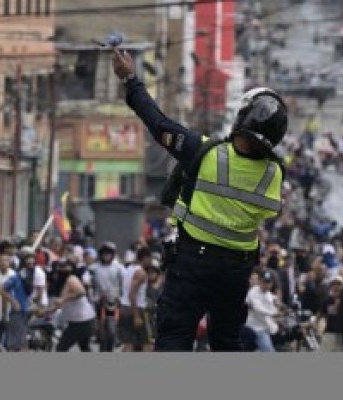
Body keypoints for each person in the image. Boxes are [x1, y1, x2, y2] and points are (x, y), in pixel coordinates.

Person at [114, 48, 288, 351]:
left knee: (173, 339)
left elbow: (159, 124)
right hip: (236, 272)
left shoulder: (203, 152)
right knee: (226, 342)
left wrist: (130, 79)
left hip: (193, 263)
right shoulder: (273, 174)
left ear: (243, 118)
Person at [45, 259, 96, 352]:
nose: (63, 269)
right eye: (61, 266)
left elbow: (81, 292)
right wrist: (47, 311)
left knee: (61, 348)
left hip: (82, 321)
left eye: (65, 266)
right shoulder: (61, 282)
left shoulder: (71, 278)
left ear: (71, 267)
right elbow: (60, 303)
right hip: (80, 321)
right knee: (85, 348)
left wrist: (64, 299)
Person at [119, 247, 152, 352]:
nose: (150, 262)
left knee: (128, 343)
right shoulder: (141, 273)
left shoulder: (129, 269)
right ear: (145, 258)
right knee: (147, 343)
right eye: (149, 259)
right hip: (136, 309)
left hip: (125, 308)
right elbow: (132, 294)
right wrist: (137, 316)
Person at [0, 255, 22, 351]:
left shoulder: (14, 276)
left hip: (11, 312)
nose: (3, 262)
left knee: (10, 343)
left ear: (9, 263)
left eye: (5, 260)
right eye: (1, 261)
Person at [244, 271, 279, 352]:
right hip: (256, 329)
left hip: (267, 327)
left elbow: (273, 301)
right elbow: (258, 308)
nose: (266, 285)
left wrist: (279, 304)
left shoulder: (269, 294)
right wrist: (274, 313)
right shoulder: (253, 291)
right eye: (264, 282)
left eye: (268, 282)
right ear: (260, 281)